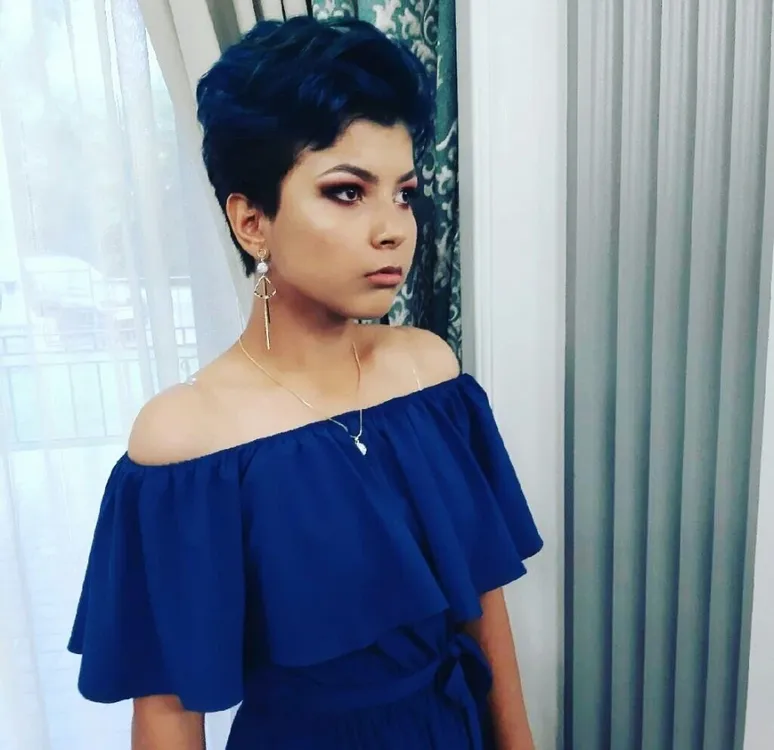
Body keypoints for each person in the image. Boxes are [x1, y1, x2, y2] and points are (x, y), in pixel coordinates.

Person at [67, 16, 543, 750]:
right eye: (348, 192)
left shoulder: (430, 376)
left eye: (404, 193)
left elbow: (484, 604)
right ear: (252, 221)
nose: (393, 229)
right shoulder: (186, 444)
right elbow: (167, 711)